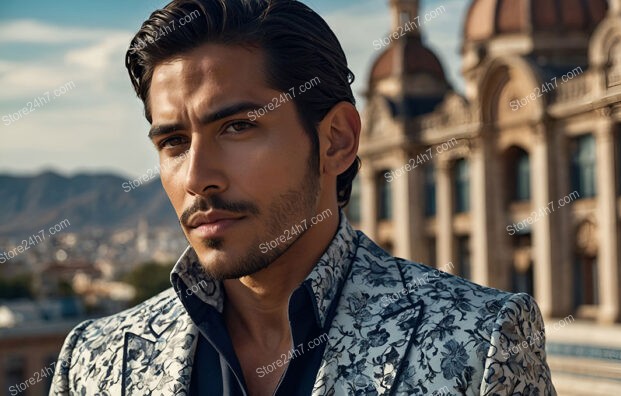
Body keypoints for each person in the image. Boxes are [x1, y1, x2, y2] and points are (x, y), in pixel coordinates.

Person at [50, 0, 556, 394]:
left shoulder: (480, 340)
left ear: (336, 139)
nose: (197, 178)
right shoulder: (97, 359)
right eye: (173, 142)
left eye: (238, 127)